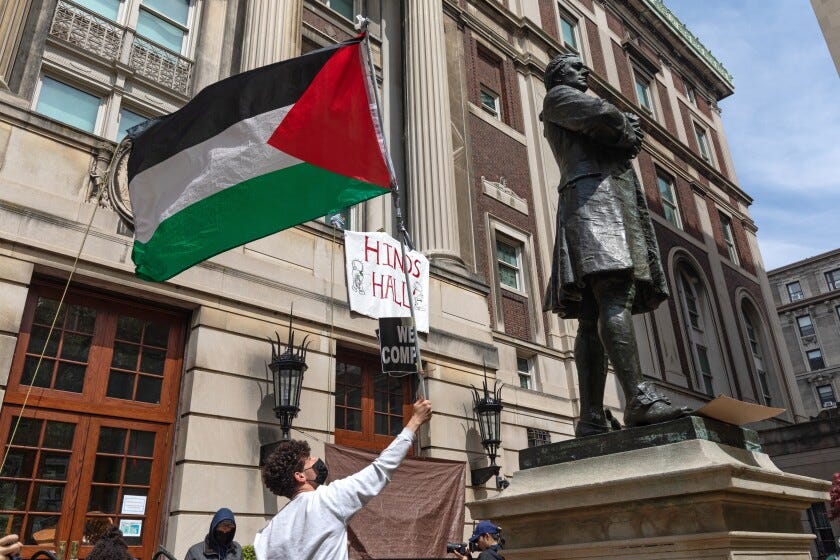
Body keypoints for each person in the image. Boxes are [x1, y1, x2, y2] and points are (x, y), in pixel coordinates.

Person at [541, 52, 688, 436]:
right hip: (594, 202)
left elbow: (606, 123)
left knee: (590, 315)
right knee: (612, 295)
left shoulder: (568, 98)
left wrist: (624, 127)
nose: (584, 71)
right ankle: (638, 399)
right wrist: (628, 126)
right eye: (575, 67)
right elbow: (603, 119)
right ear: (558, 75)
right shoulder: (558, 96)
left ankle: (591, 416)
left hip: (597, 201)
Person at [254, 396, 433, 560]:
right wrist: (415, 421)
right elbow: (381, 468)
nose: (316, 459)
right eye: (309, 459)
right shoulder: (328, 499)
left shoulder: (268, 533)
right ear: (300, 476)